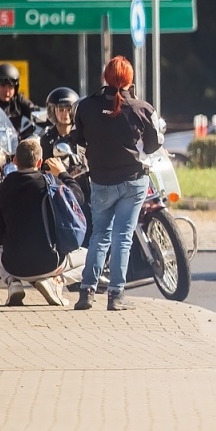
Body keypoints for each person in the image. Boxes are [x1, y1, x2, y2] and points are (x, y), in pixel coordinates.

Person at [72, 56, 161, 311]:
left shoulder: (85, 107)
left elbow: (79, 139)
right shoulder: (142, 109)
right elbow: (155, 144)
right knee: (123, 237)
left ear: (105, 77)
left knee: (100, 235)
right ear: (129, 80)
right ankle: (115, 295)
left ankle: (86, 292)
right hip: (134, 181)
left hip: (100, 180)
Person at [0, 137, 83, 306]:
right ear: (39, 162)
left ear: (15, 160)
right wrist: (63, 173)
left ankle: (14, 283)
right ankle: (56, 282)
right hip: (50, 262)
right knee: (91, 257)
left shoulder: (5, 186)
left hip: (14, 265)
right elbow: (77, 198)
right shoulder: (49, 183)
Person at [0, 62, 37, 136]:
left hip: (13, 143)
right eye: (3, 86)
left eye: (10, 87)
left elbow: (34, 111)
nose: (7, 92)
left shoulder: (19, 100)